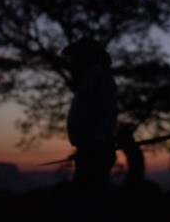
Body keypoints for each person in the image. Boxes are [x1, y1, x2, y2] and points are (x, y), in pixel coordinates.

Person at [62, 37, 118, 221]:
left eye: (75, 58)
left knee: (86, 207)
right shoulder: (91, 79)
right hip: (91, 151)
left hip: (94, 153)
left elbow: (105, 116)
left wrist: (94, 146)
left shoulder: (97, 79)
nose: (71, 64)